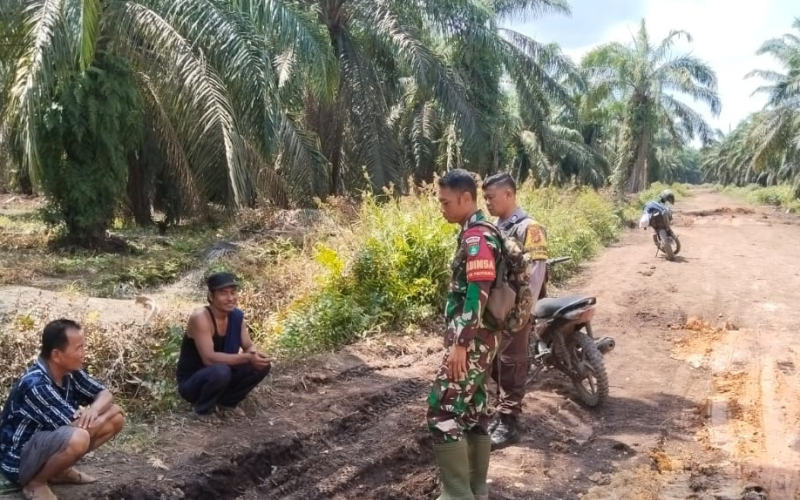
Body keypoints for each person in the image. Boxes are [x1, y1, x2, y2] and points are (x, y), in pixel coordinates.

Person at [427, 169, 503, 500]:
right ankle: (475, 490)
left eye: (445, 202)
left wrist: (461, 343)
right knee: (474, 412)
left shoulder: (477, 237)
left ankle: (457, 495)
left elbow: (478, 290)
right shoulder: (475, 233)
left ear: (466, 199)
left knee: (441, 411)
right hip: (483, 339)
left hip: (472, 341)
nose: (441, 208)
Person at [0, 319, 125, 500]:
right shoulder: (35, 384)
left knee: (115, 422)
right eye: (78, 348)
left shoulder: (69, 372)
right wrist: (112, 410)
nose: (84, 353)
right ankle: (35, 483)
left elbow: (104, 393)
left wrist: (94, 410)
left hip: (46, 443)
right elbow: (78, 428)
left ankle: (59, 470)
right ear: (57, 355)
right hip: (18, 458)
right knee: (80, 437)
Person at [481, 173, 548, 450]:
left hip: (516, 311)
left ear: (509, 194)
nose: (487, 203)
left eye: (491, 197)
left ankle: (510, 422)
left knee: (512, 363)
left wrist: (521, 313)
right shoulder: (495, 226)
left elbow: (536, 273)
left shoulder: (529, 228)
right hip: (496, 309)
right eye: (484, 198)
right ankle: (501, 413)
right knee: (496, 364)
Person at [176, 272, 271, 419]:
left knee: (262, 365)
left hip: (224, 374)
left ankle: (227, 404)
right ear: (211, 296)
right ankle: (202, 410)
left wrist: (254, 355)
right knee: (221, 371)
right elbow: (209, 359)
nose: (230, 298)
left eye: (233, 292)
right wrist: (247, 358)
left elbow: (248, 345)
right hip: (194, 382)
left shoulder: (236, 316)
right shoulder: (201, 317)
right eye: (223, 293)